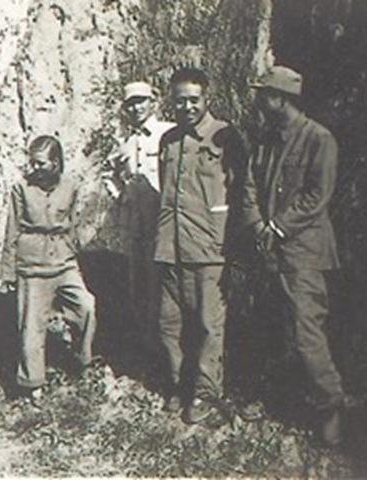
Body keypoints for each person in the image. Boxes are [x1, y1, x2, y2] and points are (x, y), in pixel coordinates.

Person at [243, 65, 345, 446]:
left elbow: (318, 195)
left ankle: (330, 406)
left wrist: (278, 227)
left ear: (280, 99)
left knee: (307, 333)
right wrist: (257, 226)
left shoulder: (319, 139)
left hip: (304, 253)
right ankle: (282, 398)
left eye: (263, 93)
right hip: (270, 250)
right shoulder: (267, 138)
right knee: (274, 331)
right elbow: (250, 185)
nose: (257, 100)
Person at [154, 68, 246, 424]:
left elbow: (239, 192)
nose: (187, 106)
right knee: (169, 323)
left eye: (194, 99)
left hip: (209, 247)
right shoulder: (169, 141)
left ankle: (206, 395)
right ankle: (181, 385)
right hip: (170, 246)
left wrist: (230, 241)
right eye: (180, 100)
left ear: (207, 98)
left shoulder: (225, 137)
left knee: (208, 325)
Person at [1, 135, 97, 405]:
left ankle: (82, 360)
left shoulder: (71, 186)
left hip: (64, 260)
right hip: (32, 264)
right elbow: (12, 229)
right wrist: (9, 270)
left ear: (56, 163)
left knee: (86, 306)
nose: (35, 169)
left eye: (41, 163)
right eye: (32, 163)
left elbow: (76, 222)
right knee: (31, 327)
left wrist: (76, 254)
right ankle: (33, 385)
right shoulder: (21, 189)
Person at [101, 81, 176, 356]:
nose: (136, 107)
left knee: (166, 286)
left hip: (165, 222)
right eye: (131, 103)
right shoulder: (126, 142)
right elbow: (109, 174)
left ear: (153, 102)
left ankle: (171, 352)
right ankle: (148, 350)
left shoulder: (169, 132)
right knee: (140, 286)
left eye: (141, 101)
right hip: (137, 225)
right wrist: (122, 196)